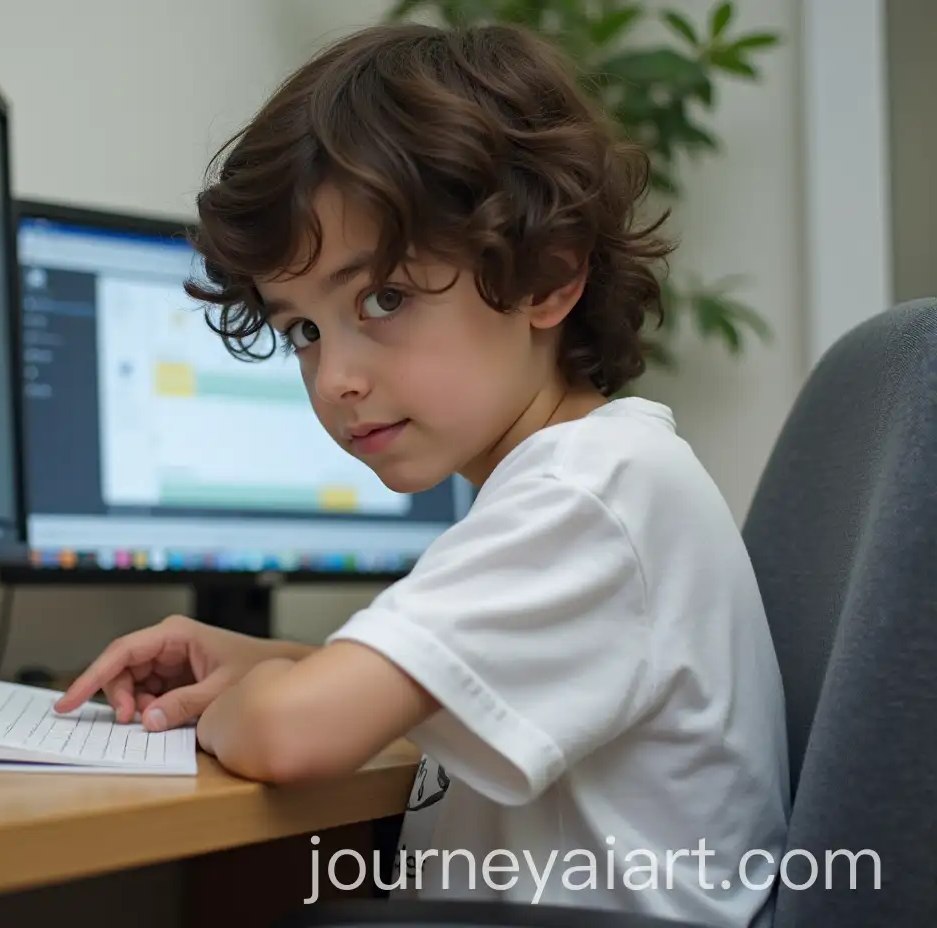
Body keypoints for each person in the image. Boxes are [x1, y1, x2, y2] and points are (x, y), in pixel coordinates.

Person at [54, 20, 790, 927]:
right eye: (304, 331)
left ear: (547, 277)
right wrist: (280, 663)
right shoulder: (585, 477)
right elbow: (441, 688)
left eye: (385, 299)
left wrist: (242, 704)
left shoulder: (587, 494)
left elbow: (291, 737)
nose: (335, 379)